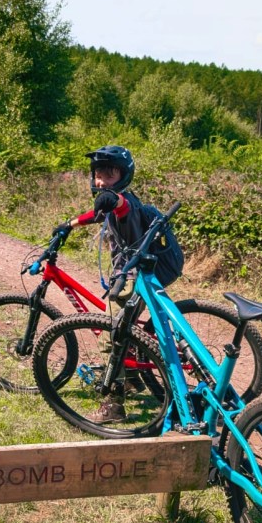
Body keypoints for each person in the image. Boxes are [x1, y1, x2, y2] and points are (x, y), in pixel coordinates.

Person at [53, 146, 184, 423]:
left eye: (109, 175)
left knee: (112, 334)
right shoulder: (112, 201)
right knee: (124, 329)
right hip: (136, 273)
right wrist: (70, 224)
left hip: (131, 278)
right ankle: (133, 379)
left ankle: (113, 405)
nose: (102, 181)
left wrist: (111, 199)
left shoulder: (123, 202)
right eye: (98, 174)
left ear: (123, 176)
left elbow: (119, 207)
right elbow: (99, 213)